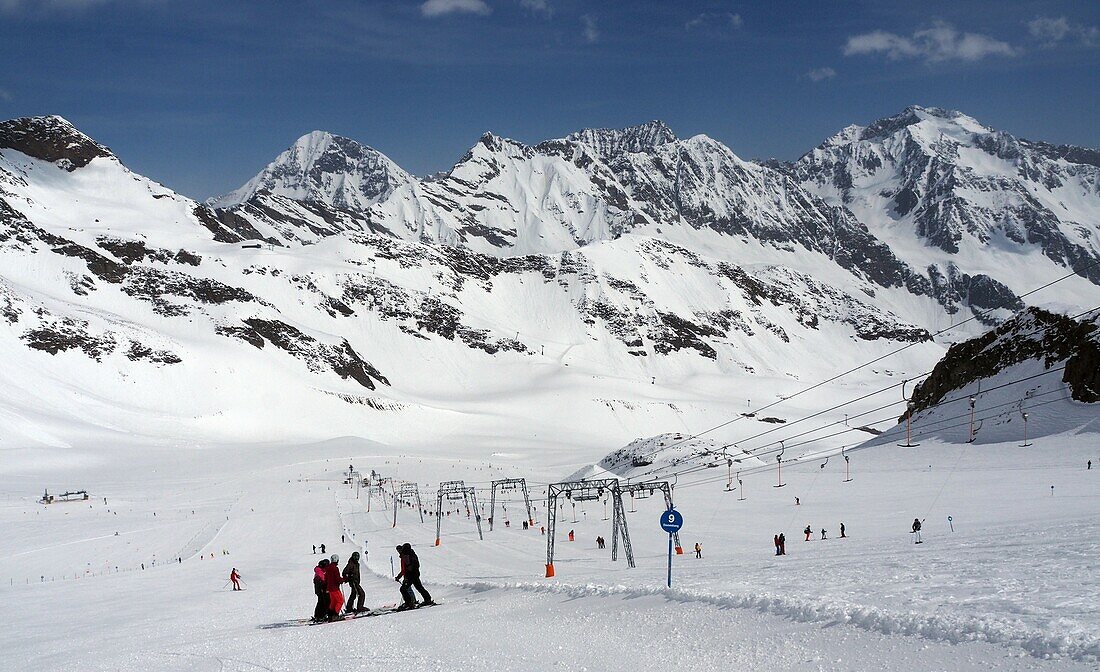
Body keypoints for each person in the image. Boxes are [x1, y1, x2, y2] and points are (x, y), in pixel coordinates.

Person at [395, 543, 433, 609]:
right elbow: (409, 568)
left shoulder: (406, 555)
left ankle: (409, 603)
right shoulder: (411, 554)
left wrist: (403, 576)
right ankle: (427, 599)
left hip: (411, 576)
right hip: (415, 575)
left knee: (403, 589)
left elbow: (406, 569)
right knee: (419, 587)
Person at [324, 554, 344, 619]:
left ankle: (330, 614)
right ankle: (335, 615)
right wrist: (343, 580)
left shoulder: (328, 568)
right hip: (334, 588)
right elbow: (337, 579)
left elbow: (326, 578)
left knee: (333, 602)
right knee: (340, 601)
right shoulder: (335, 568)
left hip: (329, 588)